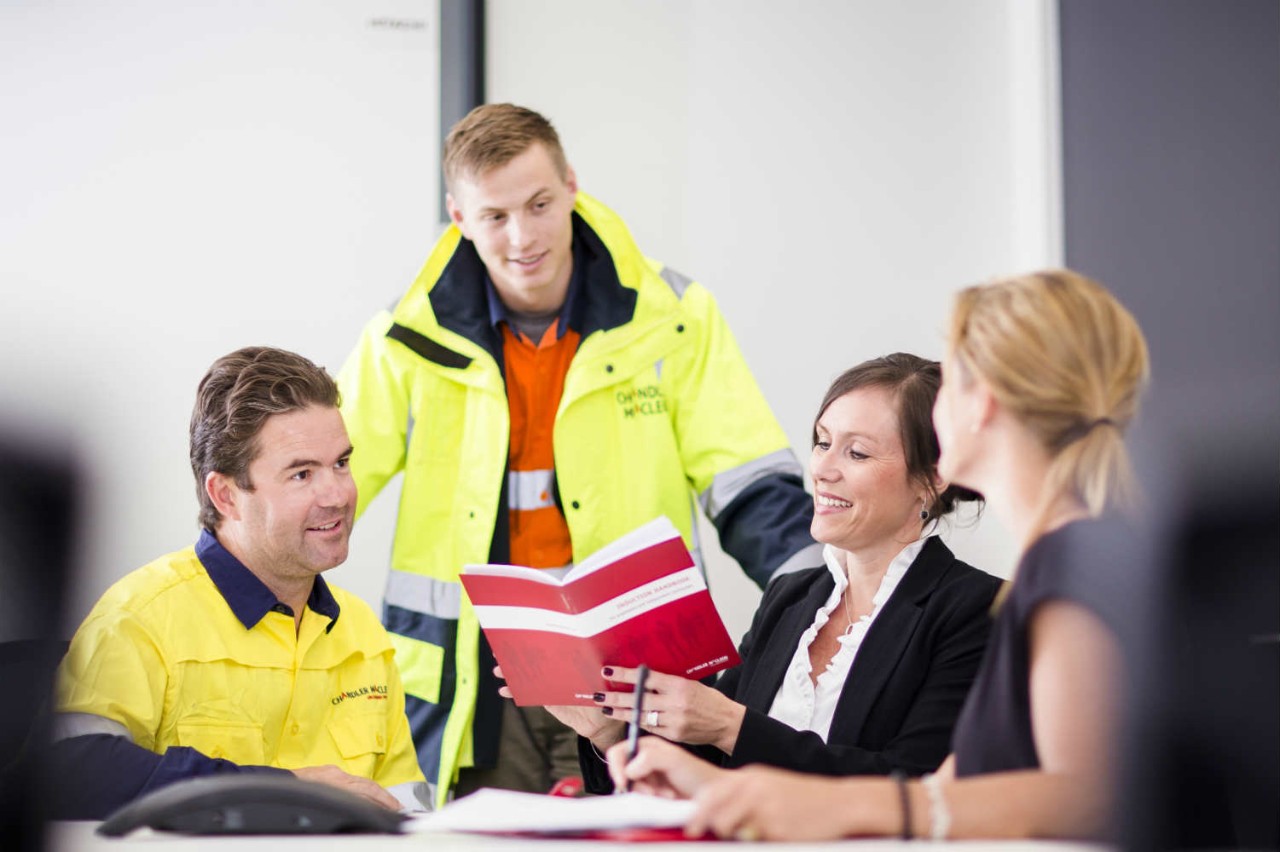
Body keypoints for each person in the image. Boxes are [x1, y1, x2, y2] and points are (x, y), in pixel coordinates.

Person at [337, 103, 818, 804]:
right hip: (475, 680)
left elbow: (749, 483)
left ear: (571, 185)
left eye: (538, 204)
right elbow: (326, 481)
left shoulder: (673, 315)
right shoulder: (404, 339)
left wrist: (838, 605)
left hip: (639, 671)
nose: (523, 236)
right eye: (495, 216)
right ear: (459, 217)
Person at [607, 269, 1150, 842]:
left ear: (982, 403)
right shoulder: (1067, 560)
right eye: (822, 442)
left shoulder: (1063, 571)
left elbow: (1087, 797)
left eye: (952, 381)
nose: (822, 466)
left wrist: (843, 805)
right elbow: (954, 788)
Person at [516, 353, 1000, 787]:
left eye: (856, 452)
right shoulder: (791, 598)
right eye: (822, 442)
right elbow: (708, 767)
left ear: (932, 479)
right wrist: (610, 733)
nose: (823, 469)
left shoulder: (978, 610)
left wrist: (730, 723)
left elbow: (920, 788)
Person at [50, 347, 428, 819]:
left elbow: (405, 806)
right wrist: (278, 789)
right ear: (225, 494)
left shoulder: (361, 632)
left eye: (341, 463)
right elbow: (71, 771)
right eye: (302, 473)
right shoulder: (140, 615)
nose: (337, 494)